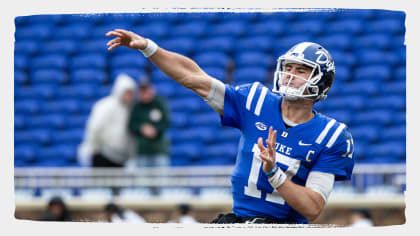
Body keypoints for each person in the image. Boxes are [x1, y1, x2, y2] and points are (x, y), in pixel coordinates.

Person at [105, 29, 355, 224]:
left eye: (301, 70)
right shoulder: (256, 101)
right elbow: (194, 78)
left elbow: (313, 208)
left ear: (321, 81)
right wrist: (150, 48)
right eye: (288, 67)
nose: (290, 75)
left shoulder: (331, 136)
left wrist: (274, 173)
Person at [77, 73, 137, 168]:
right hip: (102, 155)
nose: (129, 96)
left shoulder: (130, 110)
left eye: (131, 93)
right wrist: (94, 148)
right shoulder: (105, 106)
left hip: (121, 157)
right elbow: (95, 127)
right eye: (127, 92)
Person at [126, 77, 171, 169]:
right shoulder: (137, 107)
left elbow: (166, 122)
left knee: (161, 181)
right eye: (142, 91)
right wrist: (141, 128)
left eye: (146, 90)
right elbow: (131, 125)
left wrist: (155, 129)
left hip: (159, 150)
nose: (144, 94)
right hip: (142, 151)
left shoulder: (159, 104)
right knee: (142, 181)